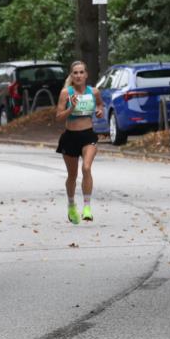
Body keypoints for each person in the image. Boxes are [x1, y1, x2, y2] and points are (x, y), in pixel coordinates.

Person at [55, 60, 104, 223]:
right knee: (72, 175)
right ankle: (71, 205)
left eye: (81, 72)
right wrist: (71, 108)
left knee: (87, 167)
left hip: (88, 136)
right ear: (72, 75)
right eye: (75, 73)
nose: (78, 75)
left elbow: (100, 105)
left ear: (86, 74)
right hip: (70, 137)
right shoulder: (65, 93)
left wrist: (99, 111)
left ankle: (87, 207)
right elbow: (58, 117)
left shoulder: (94, 91)